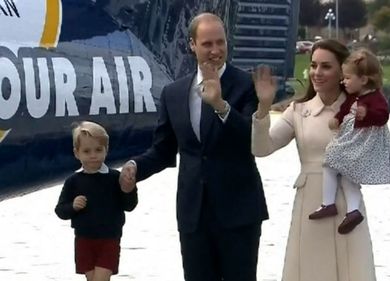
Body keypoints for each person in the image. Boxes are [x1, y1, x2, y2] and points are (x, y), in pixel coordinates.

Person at [119, 13, 268, 281]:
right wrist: (134, 167)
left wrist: (221, 106)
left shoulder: (246, 84)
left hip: (239, 212)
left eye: (220, 43)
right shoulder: (173, 93)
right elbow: (163, 151)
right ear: (192, 45)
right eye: (207, 44)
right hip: (193, 215)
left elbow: (253, 139)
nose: (215, 50)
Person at [252, 39, 376, 281]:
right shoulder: (298, 111)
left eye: (326, 66)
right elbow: (262, 148)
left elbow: (371, 154)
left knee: (353, 270)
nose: (317, 73)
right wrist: (264, 108)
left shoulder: (359, 110)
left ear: (343, 71)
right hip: (310, 204)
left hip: (347, 204)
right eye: (313, 66)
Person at [308, 49, 390, 235]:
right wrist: (337, 118)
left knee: (330, 160)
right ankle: (352, 211)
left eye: (348, 78)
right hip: (353, 140)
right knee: (346, 173)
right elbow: (344, 109)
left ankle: (329, 204)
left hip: (361, 142)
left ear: (364, 80)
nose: (344, 82)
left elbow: (383, 117)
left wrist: (368, 114)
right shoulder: (354, 96)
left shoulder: (376, 98)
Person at [55, 121, 138, 281]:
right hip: (84, 239)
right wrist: (73, 206)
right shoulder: (73, 181)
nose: (93, 155)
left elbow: (129, 205)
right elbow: (60, 210)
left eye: (98, 150)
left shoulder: (115, 177)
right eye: (87, 151)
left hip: (109, 238)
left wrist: (130, 188)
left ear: (106, 150)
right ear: (76, 153)